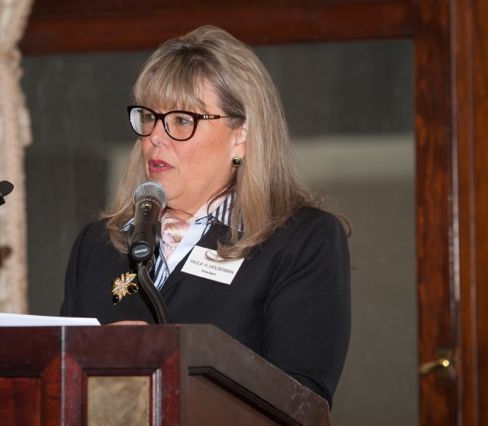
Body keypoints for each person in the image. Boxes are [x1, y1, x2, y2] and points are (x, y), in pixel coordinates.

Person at [60, 25, 350, 406]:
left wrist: (162, 358)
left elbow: (299, 405)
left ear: (241, 135)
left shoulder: (302, 242)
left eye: (181, 120)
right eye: (148, 117)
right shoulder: (98, 246)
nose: (155, 137)